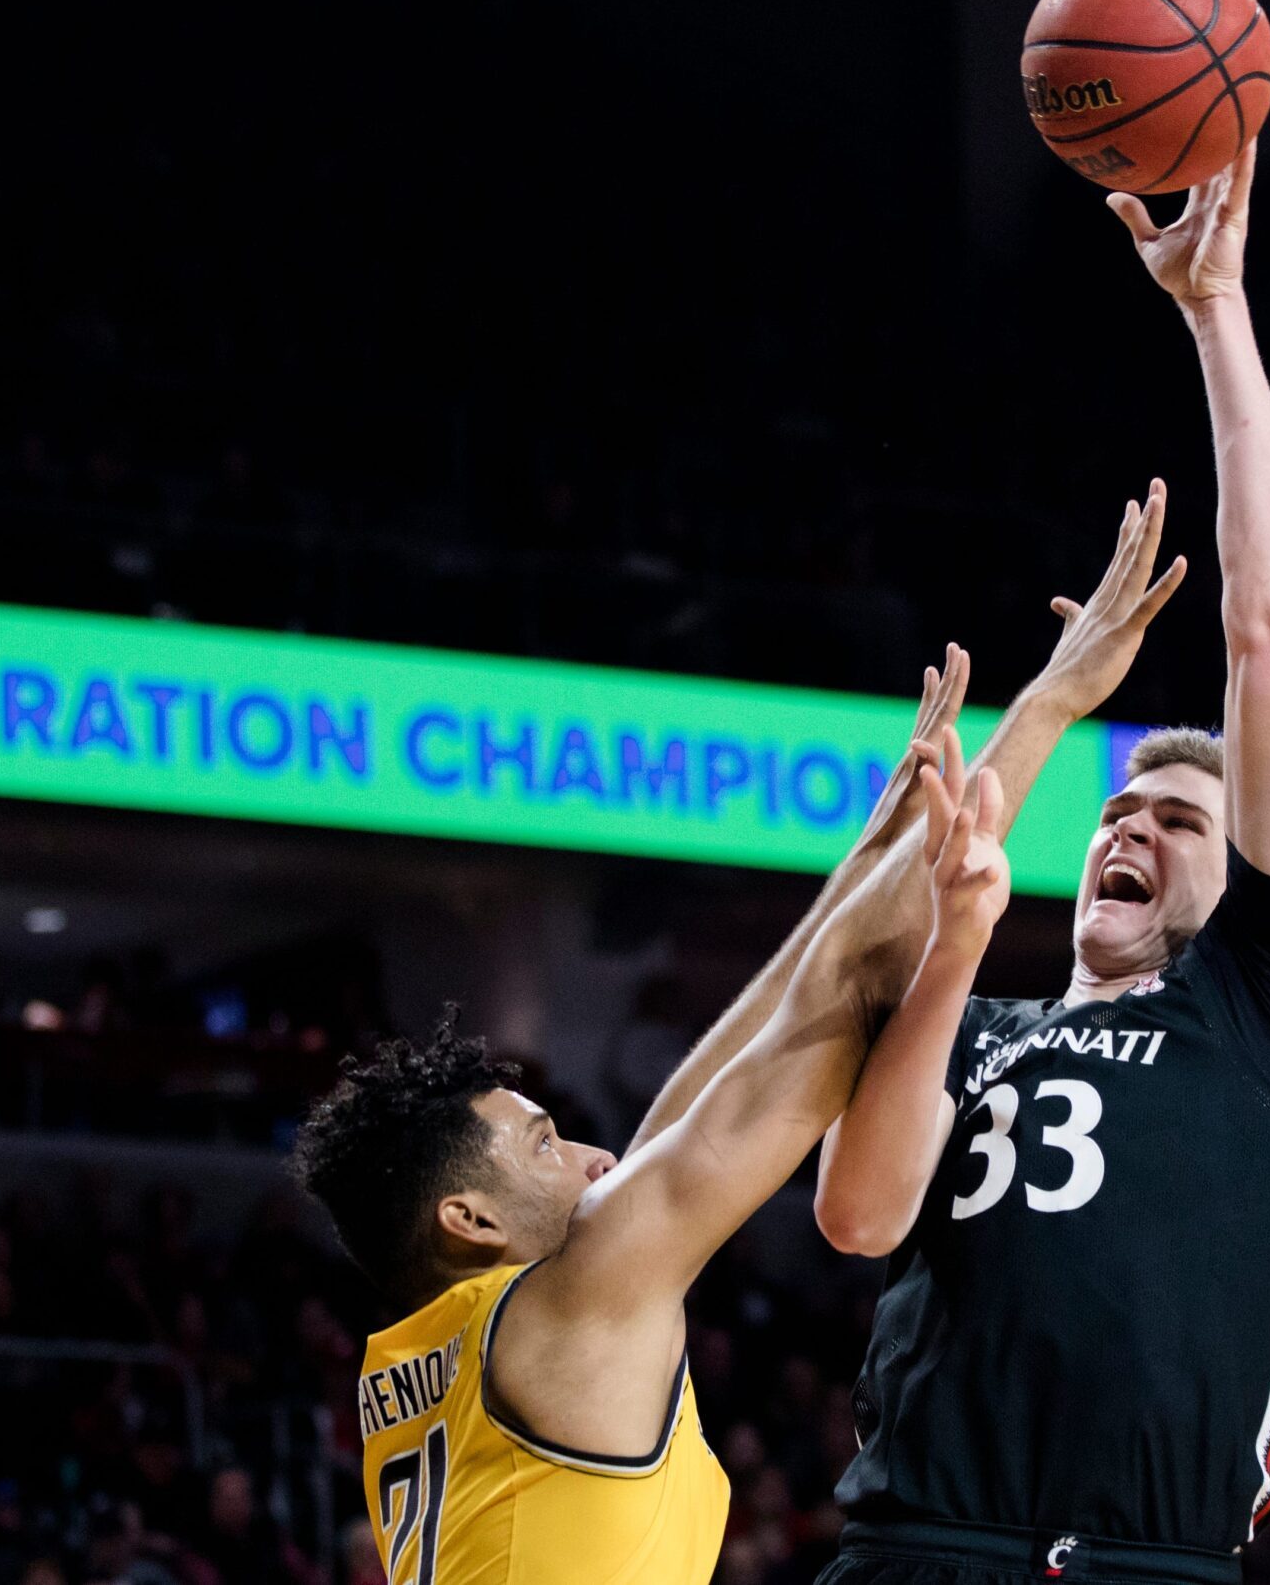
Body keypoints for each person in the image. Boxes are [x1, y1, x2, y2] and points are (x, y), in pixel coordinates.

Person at [295, 473, 1190, 1585]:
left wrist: (867, 862)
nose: (592, 1151)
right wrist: (1053, 702)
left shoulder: (437, 1354)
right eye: (541, 1145)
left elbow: (704, 1094)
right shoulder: (572, 1301)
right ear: (469, 1214)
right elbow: (854, 999)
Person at [813, 146, 1270, 1584]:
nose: (1132, 826)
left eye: (1182, 821)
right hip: (921, 1544)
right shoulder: (971, 1020)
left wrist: (1215, 309)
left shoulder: (1256, 1005)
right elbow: (858, 1214)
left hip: (1150, 1560)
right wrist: (953, 945)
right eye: (1124, 809)